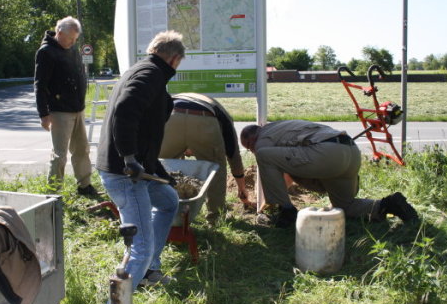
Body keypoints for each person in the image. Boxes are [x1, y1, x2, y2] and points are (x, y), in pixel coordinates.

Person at [94, 30, 186, 304]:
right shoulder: (150, 74)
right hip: (126, 174)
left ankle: (147, 271)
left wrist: (159, 171)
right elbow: (125, 111)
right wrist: (129, 158)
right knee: (141, 247)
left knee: (169, 201)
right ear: (175, 59)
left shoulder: (143, 70)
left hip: (138, 170)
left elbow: (145, 132)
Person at [240, 120, 419, 227]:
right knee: (344, 207)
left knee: (263, 155)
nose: (252, 151)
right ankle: (389, 204)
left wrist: (271, 204)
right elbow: (287, 171)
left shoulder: (262, 140)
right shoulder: (280, 127)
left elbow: (272, 168)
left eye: (249, 147)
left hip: (325, 153)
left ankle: (284, 212)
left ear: (252, 138)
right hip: (350, 151)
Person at [159, 92, 253, 223]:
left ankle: (160, 212)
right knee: (216, 169)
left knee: (160, 167)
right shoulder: (223, 115)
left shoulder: (172, 99)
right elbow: (233, 153)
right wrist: (242, 188)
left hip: (172, 116)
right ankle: (215, 217)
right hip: (204, 119)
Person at [34, 16, 99, 196]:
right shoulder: (46, 52)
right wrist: (43, 114)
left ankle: (84, 185)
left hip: (78, 108)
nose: (73, 42)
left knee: (82, 149)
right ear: (59, 32)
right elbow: (40, 85)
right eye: (70, 38)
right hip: (59, 111)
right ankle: (53, 193)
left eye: (75, 39)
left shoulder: (72, 49)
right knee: (60, 155)